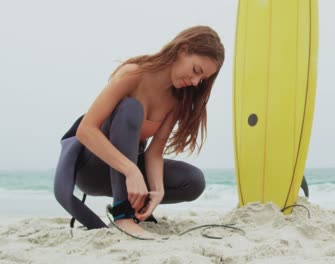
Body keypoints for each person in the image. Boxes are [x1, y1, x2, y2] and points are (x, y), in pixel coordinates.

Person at [54, 25, 224, 237]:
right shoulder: (133, 74)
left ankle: (133, 209)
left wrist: (158, 190)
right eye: (196, 71)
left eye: (202, 79)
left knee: (194, 180)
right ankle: (122, 215)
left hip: (125, 175)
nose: (196, 81)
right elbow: (86, 131)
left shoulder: (176, 101)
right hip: (93, 169)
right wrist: (130, 170)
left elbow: (154, 153)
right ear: (182, 50)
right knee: (131, 108)